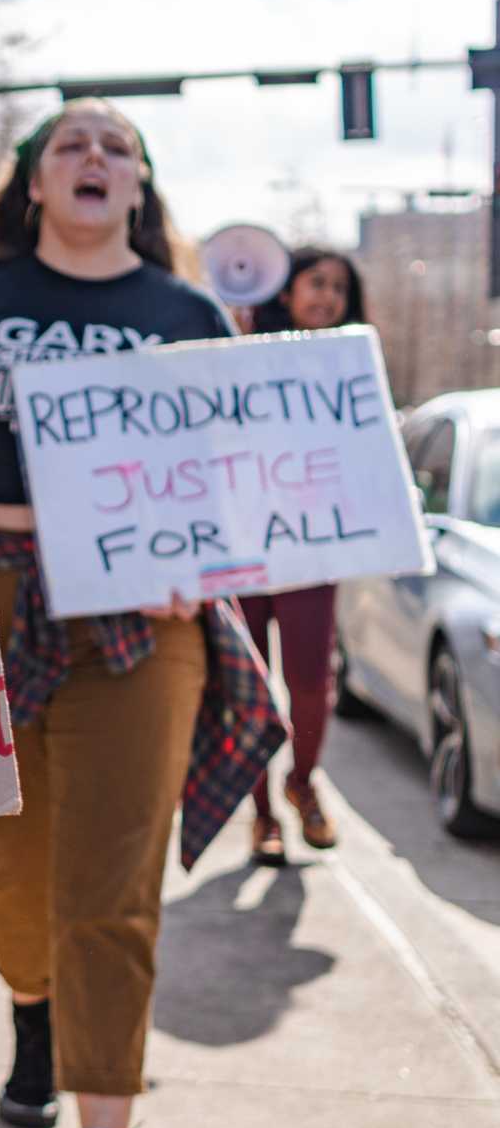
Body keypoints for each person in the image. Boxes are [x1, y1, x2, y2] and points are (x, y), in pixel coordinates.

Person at [0, 101, 283, 1128]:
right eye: (69, 146)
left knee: (111, 878)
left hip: (143, 623)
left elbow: (238, 482)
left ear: (138, 190)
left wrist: (213, 557)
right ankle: (33, 1017)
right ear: (32, 184)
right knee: (8, 866)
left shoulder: (187, 313)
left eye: (117, 150)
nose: (94, 159)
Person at [241, 246, 371, 865]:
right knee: (251, 685)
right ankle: (262, 815)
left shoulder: (354, 368)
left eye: (339, 288)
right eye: (315, 283)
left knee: (312, 683)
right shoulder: (237, 354)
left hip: (310, 548)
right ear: (284, 291)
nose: (327, 297)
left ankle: (302, 780)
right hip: (241, 545)